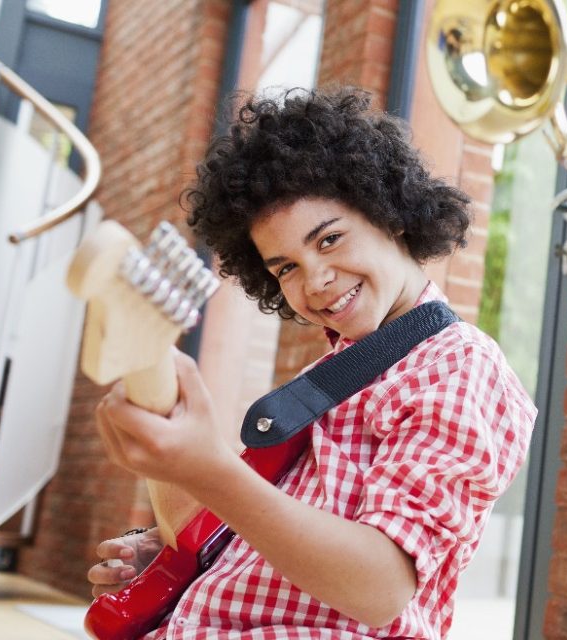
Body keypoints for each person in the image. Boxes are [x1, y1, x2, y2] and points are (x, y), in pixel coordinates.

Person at [85, 88, 537, 639]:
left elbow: (379, 590)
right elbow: (277, 529)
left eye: (329, 239)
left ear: (389, 214)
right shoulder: (326, 379)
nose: (315, 279)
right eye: (285, 269)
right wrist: (198, 548)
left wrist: (210, 469)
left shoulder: (458, 365)